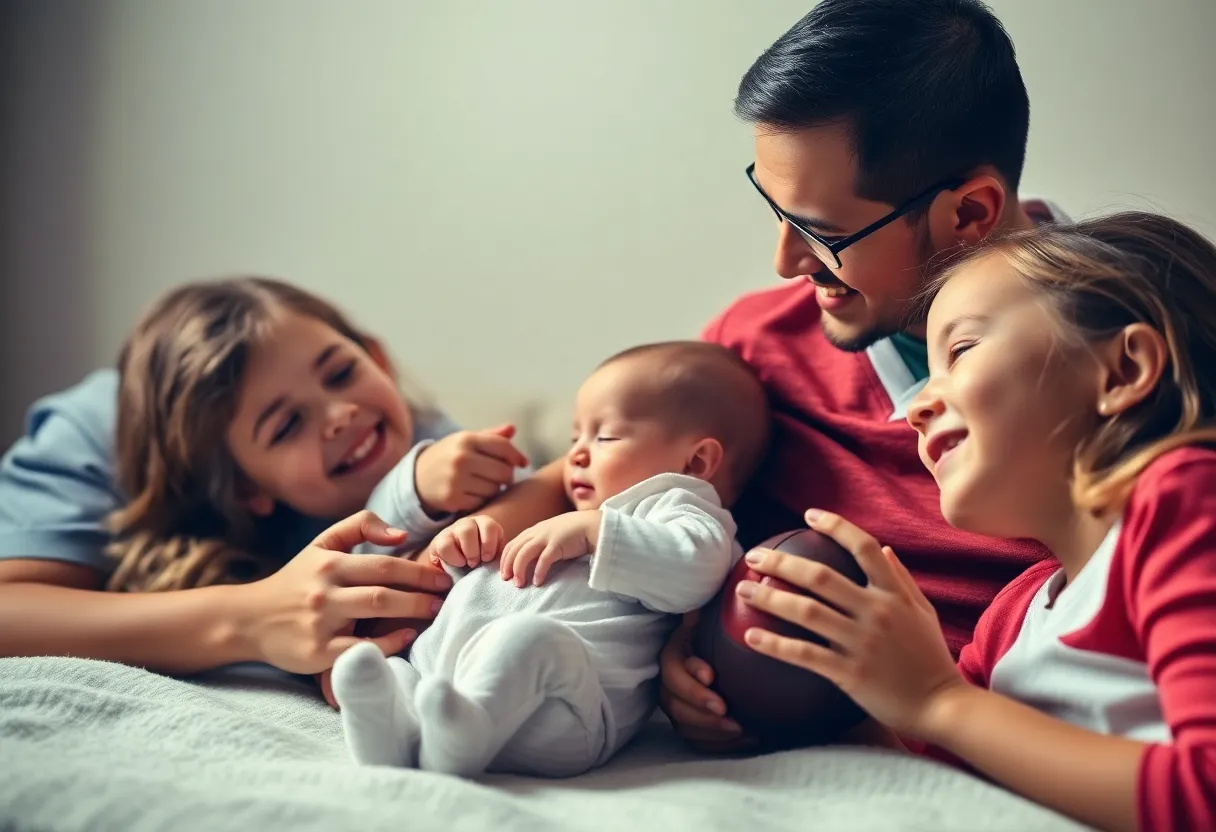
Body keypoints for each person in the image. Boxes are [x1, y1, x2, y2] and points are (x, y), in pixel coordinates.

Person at [735, 212, 1216, 831]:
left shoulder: (1181, 502)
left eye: (960, 351)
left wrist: (938, 701)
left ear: (1122, 371)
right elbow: (938, 776)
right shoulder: (1011, 619)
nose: (916, 409)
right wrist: (765, 695)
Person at [0, 277, 564, 683]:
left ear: (377, 359)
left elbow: (543, 498)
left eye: (343, 372)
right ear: (247, 491)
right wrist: (251, 618)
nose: (340, 413)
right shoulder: (96, 431)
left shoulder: (418, 445)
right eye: (288, 424)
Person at [331, 342, 769, 777]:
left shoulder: (683, 512)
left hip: (564, 710)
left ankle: (462, 738)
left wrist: (597, 531)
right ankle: (393, 739)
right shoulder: (575, 515)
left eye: (605, 436)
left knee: (528, 640)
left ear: (696, 462)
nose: (575, 454)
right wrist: (468, 546)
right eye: (574, 436)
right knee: (393, 673)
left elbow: (697, 569)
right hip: (449, 681)